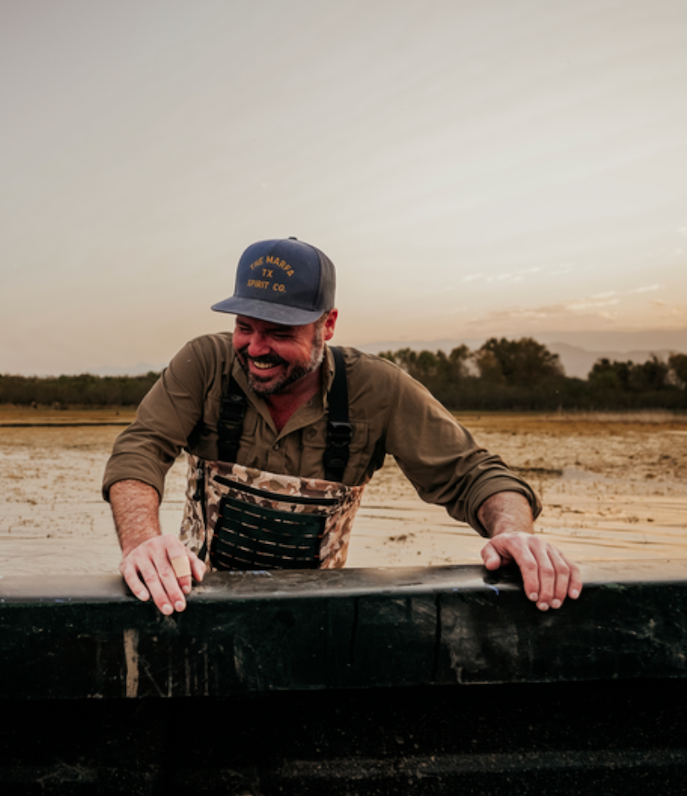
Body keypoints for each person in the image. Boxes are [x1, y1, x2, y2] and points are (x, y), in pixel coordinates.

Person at [102, 237, 581, 614]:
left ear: (327, 325)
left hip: (319, 616)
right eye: (245, 327)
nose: (255, 347)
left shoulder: (380, 389)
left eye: (279, 333)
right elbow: (139, 450)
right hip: (198, 601)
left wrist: (514, 531)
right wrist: (144, 543)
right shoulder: (204, 363)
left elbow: (475, 475)